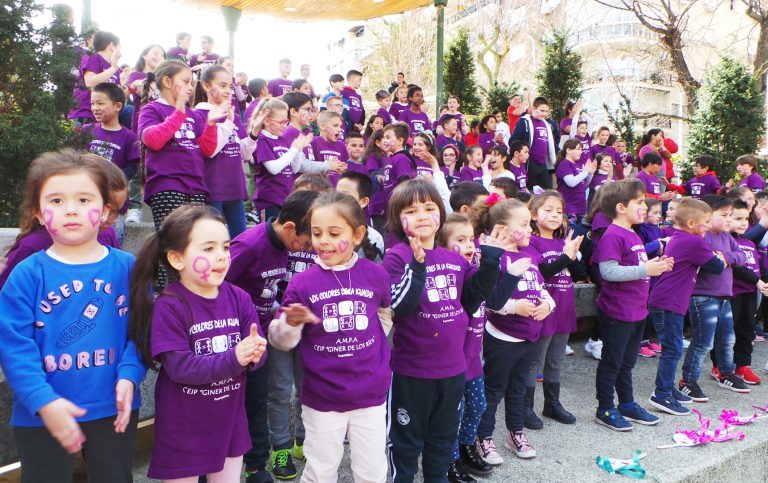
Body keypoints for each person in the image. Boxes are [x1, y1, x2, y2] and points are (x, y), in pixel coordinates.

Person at [0, 150, 146, 483]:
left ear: (106, 210)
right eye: (56, 201)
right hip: (41, 414)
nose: (70, 210)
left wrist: (129, 375)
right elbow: (13, 347)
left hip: (114, 407)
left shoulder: (128, 268)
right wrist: (43, 401)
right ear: (38, 212)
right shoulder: (27, 274)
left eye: (83, 199)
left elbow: (143, 331)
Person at [129, 205, 267, 481]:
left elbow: (256, 352)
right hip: (184, 427)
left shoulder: (239, 297)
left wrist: (256, 353)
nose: (221, 257)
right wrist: (236, 358)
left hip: (229, 420)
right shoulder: (169, 305)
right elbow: (180, 367)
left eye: (225, 247)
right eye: (208, 249)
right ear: (177, 259)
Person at [384, 179, 505, 482]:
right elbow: (402, 306)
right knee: (406, 444)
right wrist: (418, 265)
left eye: (429, 207)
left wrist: (490, 257)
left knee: (442, 439)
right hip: (412, 373)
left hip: (452, 370)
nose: (422, 215)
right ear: (398, 218)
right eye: (412, 210)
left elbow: (473, 297)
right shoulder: (396, 256)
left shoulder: (453, 258)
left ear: (440, 212)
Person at [267, 191, 389, 482]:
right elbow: (280, 340)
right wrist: (290, 323)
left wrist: (372, 342)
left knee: (372, 469)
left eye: (334, 233)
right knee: (321, 469)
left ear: (358, 234)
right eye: (317, 233)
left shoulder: (376, 275)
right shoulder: (302, 283)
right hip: (323, 396)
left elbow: (384, 314)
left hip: (370, 393)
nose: (323, 241)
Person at [225, 190, 319, 482]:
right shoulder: (250, 245)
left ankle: (256, 465)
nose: (307, 247)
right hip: (236, 339)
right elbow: (219, 284)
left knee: (257, 401)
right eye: (306, 241)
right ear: (290, 228)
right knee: (241, 402)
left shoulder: (284, 245)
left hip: (262, 335)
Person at [436, 213, 529, 481]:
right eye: (460, 240)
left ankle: (466, 447)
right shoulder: (449, 279)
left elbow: (495, 301)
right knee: (454, 413)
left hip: (472, 360)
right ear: (442, 247)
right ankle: (450, 460)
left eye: (470, 240)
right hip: (452, 363)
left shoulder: (478, 272)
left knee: (477, 406)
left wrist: (509, 274)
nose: (468, 245)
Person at [473, 197, 553, 464]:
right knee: (494, 389)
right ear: (503, 228)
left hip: (529, 336)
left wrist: (547, 305)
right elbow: (489, 299)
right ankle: (483, 437)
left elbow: (541, 289)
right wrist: (512, 307)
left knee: (519, 388)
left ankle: (515, 433)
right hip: (503, 338)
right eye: (524, 224)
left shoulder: (529, 256)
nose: (530, 229)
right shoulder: (494, 258)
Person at [593, 179, 672, 431]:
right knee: (611, 363)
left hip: (637, 311)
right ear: (620, 207)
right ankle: (605, 407)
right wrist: (645, 268)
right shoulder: (613, 234)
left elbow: (636, 269)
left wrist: (656, 265)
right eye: (639, 202)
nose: (644, 207)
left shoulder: (633, 233)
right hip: (618, 312)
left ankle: (626, 403)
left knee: (627, 364)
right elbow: (608, 271)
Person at [647, 198, 723, 415]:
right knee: (673, 349)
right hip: (668, 302)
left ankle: (668, 389)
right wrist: (720, 257)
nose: (708, 226)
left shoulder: (679, 236)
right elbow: (716, 266)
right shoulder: (694, 242)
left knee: (673, 347)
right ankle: (661, 394)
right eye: (706, 222)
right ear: (691, 223)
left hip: (667, 301)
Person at [138, 60, 226, 232]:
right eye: (186, 81)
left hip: (196, 187)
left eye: (192, 83)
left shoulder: (193, 114)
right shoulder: (152, 109)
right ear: (167, 82)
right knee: (172, 242)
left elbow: (207, 150)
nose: (191, 87)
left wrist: (210, 124)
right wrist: (178, 113)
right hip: (168, 186)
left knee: (194, 243)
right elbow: (153, 140)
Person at [524, 192, 586, 430]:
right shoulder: (531, 242)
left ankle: (552, 403)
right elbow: (541, 274)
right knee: (534, 362)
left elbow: (579, 274)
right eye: (548, 210)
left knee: (556, 361)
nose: (554, 215)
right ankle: (525, 406)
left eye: (559, 212)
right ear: (533, 214)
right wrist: (565, 257)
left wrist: (574, 253)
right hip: (543, 311)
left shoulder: (563, 242)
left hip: (564, 309)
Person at [195, 65, 261, 239]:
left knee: (239, 237)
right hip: (212, 186)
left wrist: (254, 134)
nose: (228, 91)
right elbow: (210, 150)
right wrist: (228, 124)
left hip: (234, 186)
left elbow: (243, 154)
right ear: (207, 86)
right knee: (211, 237)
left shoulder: (233, 116)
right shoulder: (199, 115)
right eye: (222, 85)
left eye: (230, 87)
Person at [251, 97, 342, 221]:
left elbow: (295, 168)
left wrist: (298, 150)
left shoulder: (282, 138)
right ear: (267, 121)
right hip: (269, 199)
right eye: (281, 122)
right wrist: (294, 149)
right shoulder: (262, 140)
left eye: (286, 121)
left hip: (286, 196)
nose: (285, 125)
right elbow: (273, 168)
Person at [713, 200, 767, 384]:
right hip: (732, 293)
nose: (743, 222)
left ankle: (743, 365)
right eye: (737, 218)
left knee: (746, 330)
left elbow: (757, 266)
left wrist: (764, 282)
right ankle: (719, 365)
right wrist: (757, 281)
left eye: (745, 218)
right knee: (726, 332)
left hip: (750, 293)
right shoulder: (728, 241)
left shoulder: (749, 243)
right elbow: (736, 268)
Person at [84, 82, 140, 244]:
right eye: (93, 103)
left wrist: (113, 177)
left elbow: (133, 167)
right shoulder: (86, 131)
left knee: (113, 243)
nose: (95, 108)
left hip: (114, 206)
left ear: (117, 106)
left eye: (101, 103)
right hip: (85, 201)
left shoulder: (129, 137)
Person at [69, 31, 122, 125]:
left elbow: (117, 96)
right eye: (119, 49)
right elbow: (89, 82)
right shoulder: (93, 57)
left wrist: (130, 88)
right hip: (84, 113)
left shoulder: (115, 69)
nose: (121, 54)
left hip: (103, 117)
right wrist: (113, 68)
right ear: (112, 46)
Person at [510, 97, 560, 190]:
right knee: (532, 194)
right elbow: (513, 141)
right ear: (534, 109)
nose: (544, 114)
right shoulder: (524, 121)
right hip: (530, 164)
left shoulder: (546, 124)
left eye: (546, 111)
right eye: (542, 110)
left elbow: (552, 144)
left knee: (547, 192)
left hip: (543, 164)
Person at [555, 139, 597, 223]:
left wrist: (590, 174)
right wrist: (585, 172)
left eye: (581, 149)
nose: (580, 152)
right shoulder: (565, 164)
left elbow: (583, 186)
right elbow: (571, 183)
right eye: (578, 149)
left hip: (580, 207)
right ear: (568, 150)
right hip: (569, 207)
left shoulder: (577, 165)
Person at [311, 110, 349, 186]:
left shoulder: (341, 145)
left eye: (340, 126)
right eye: (335, 125)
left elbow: (345, 167)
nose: (339, 129)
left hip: (336, 189)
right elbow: (310, 166)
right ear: (322, 126)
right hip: (319, 187)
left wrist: (343, 168)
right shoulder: (314, 142)